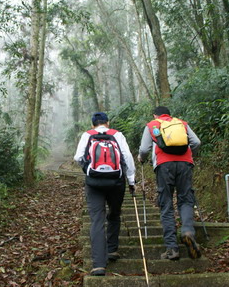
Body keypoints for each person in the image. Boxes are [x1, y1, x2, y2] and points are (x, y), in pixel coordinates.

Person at [74, 112, 136, 276]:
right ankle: (112, 250)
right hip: (116, 181)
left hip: (94, 182)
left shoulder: (87, 135)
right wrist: (131, 180)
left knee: (97, 220)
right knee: (114, 214)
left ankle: (99, 265)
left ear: (93, 123)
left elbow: (78, 157)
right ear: (108, 122)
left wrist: (89, 169)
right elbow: (127, 157)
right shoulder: (117, 135)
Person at [138, 106, 201, 260]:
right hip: (185, 164)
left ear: (155, 115)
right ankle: (187, 231)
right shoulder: (181, 123)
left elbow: (145, 149)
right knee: (186, 199)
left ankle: (172, 248)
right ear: (169, 114)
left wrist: (142, 158)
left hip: (164, 165)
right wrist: (189, 155)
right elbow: (197, 142)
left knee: (166, 203)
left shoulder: (152, 125)